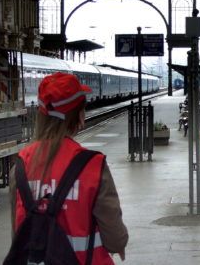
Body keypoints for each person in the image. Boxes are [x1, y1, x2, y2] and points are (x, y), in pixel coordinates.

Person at [9, 72, 128, 264]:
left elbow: (19, 235)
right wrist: (119, 243)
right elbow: (115, 239)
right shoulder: (93, 166)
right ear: (79, 115)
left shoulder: (21, 166)